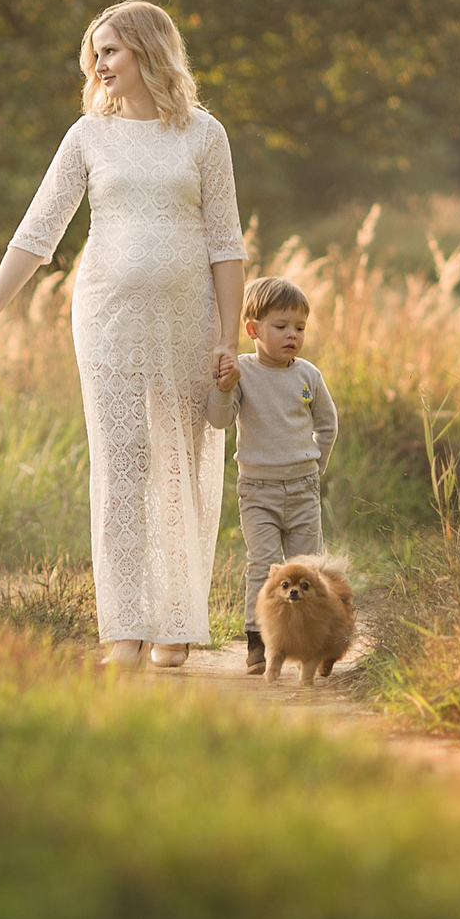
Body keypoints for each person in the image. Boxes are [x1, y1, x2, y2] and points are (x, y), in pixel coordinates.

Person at [0, 0, 244, 669]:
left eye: (110, 49)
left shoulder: (204, 135)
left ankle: (174, 621)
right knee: (120, 463)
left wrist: (228, 337)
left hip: (188, 319)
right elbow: (40, 230)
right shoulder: (87, 134)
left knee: (181, 459)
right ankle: (124, 624)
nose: (98, 62)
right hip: (106, 319)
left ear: (149, 51)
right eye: (95, 51)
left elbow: (225, 244)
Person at [205, 275, 340, 673]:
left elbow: (327, 425)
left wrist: (316, 469)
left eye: (299, 327)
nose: (292, 336)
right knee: (264, 563)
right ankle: (258, 641)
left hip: (302, 488)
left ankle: (314, 641)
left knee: (307, 568)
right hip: (257, 490)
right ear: (253, 329)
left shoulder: (308, 376)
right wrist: (225, 388)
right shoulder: (242, 372)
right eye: (280, 327)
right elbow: (218, 421)